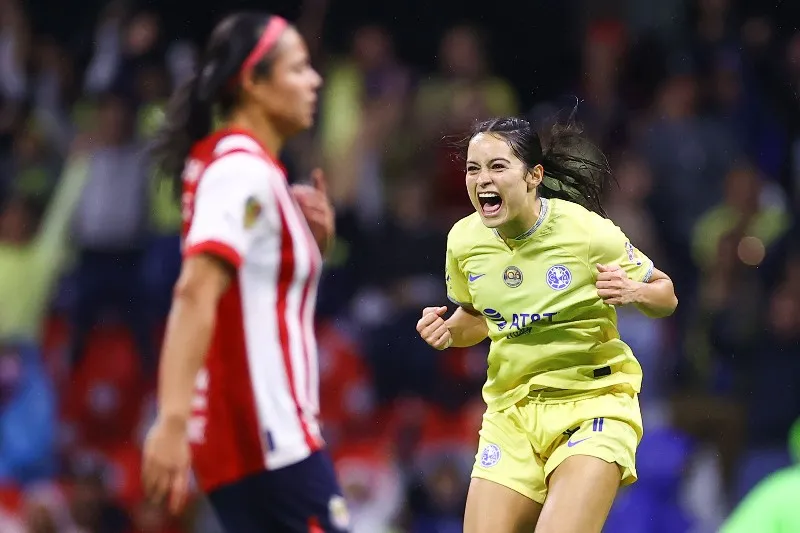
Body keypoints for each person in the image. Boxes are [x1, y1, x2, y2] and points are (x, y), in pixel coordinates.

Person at [415, 115, 678, 533]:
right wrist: (448, 331)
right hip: (512, 414)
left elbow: (666, 294)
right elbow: (480, 320)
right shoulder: (464, 242)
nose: (483, 179)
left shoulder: (586, 232)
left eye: (498, 166)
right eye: (473, 168)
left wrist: (634, 291)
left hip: (594, 402)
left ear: (534, 175)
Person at [141, 12, 347, 533]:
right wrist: (171, 421)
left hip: (261, 439)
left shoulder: (242, 166)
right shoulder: (241, 171)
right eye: (298, 68)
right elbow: (194, 293)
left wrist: (306, 243)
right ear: (253, 83)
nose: (315, 80)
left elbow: (249, 296)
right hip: (267, 441)